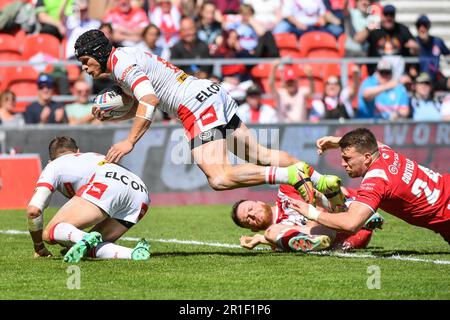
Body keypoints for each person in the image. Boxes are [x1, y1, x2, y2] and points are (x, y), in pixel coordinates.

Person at [74, 29, 345, 205]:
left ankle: (291, 175)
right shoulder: (124, 58)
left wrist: (129, 142)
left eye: (85, 61)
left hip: (194, 105)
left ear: (98, 53)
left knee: (219, 178)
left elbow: (151, 101)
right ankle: (327, 188)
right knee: (262, 155)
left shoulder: (122, 67)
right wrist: (114, 118)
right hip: (210, 93)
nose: (85, 68)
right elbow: (144, 103)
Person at [288, 128, 450, 246]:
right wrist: (337, 141)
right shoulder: (384, 152)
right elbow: (373, 142)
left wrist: (311, 212)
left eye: (347, 158)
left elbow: (351, 224)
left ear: (366, 157)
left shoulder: (376, 180)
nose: (343, 164)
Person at [27, 136, 151, 261]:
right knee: (91, 246)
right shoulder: (93, 156)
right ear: (78, 151)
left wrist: (39, 247)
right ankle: (133, 253)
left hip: (106, 185)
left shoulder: (53, 165)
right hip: (141, 193)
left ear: (50, 160)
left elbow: (33, 211)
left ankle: (83, 238)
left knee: (50, 233)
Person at [233, 183, 383, 252]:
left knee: (320, 192)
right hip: (342, 238)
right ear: (252, 228)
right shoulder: (276, 236)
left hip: (341, 212)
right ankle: (316, 241)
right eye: (248, 219)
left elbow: (322, 193)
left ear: (259, 202)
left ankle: (358, 212)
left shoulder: (285, 191)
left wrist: (313, 214)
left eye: (250, 208)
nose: (253, 215)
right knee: (271, 232)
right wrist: (261, 239)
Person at [415, 15, 450, 91]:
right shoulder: (413, 42)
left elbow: (448, 55)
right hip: (419, 79)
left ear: (429, 27)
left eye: (425, 25)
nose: (422, 28)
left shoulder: (437, 41)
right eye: (419, 26)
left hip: (435, 77)